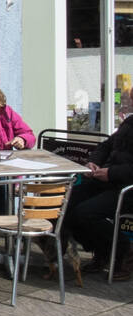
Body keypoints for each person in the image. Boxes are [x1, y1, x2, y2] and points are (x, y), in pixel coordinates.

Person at [58, 113, 133, 279]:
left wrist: (112, 173)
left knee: (86, 213)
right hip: (107, 180)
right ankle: (102, 250)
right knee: (65, 205)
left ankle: (124, 251)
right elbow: (105, 146)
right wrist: (93, 162)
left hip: (127, 188)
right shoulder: (129, 122)